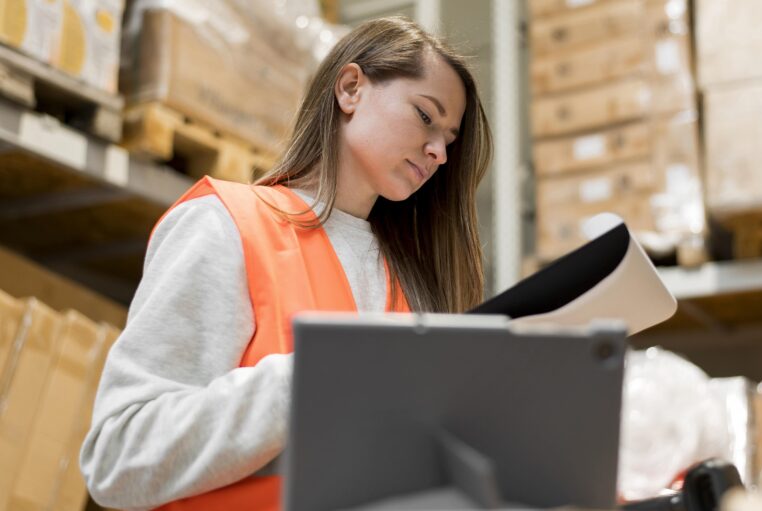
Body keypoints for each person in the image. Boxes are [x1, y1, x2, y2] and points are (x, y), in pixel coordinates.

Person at [80, 16, 492, 511]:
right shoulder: (227, 226)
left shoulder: (414, 287)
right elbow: (118, 458)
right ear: (351, 88)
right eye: (426, 117)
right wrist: (306, 381)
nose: (438, 152)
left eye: (449, 139)